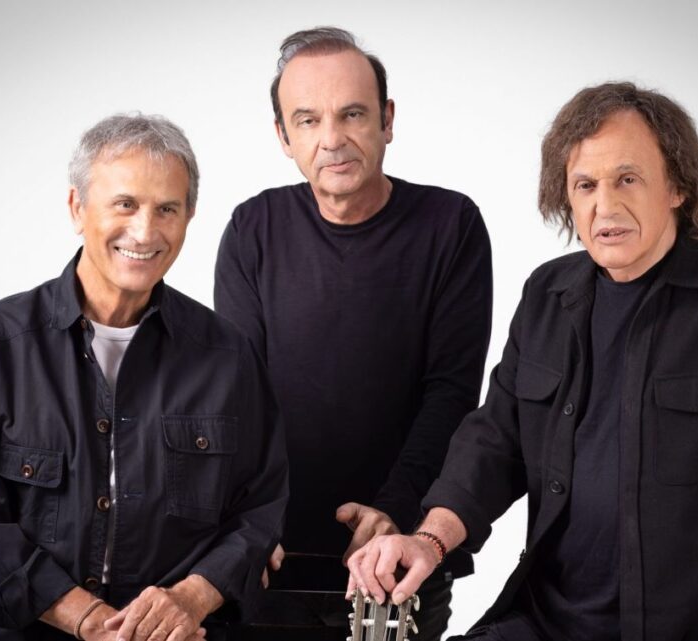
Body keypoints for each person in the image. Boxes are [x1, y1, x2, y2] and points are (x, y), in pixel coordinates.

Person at [347, 82, 698, 641]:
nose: (606, 206)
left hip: (684, 628)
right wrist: (427, 541)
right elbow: (495, 442)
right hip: (542, 620)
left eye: (627, 179)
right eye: (585, 185)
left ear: (677, 186)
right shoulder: (547, 295)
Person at [0, 114, 288, 641]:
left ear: (190, 216)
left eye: (167, 209)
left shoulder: (228, 356)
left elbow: (260, 511)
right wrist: (94, 622)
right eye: (125, 204)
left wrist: (189, 601)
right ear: (77, 208)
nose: (145, 232)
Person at [214, 27, 493, 641]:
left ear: (387, 120)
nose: (332, 139)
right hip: (270, 554)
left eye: (353, 114)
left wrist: (395, 508)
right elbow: (237, 397)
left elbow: (451, 392)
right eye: (308, 120)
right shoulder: (253, 228)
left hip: (401, 554)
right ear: (283, 136)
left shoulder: (450, 225)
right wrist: (250, 525)